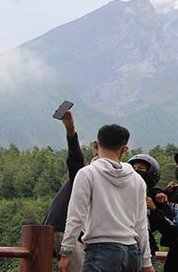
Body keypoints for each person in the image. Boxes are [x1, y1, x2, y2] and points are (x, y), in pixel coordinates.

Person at [58, 124, 155, 272]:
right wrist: (146, 262)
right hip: (132, 253)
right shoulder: (137, 180)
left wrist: (66, 252)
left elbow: (76, 216)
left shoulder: (88, 174)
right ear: (124, 149)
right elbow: (141, 224)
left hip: (100, 251)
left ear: (95, 145)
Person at [43, 110, 85, 271]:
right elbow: (76, 158)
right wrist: (71, 131)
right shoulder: (82, 176)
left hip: (64, 232)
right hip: (65, 232)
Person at [127, 154, 164, 271]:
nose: (136, 171)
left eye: (141, 168)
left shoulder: (155, 197)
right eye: (134, 168)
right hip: (124, 248)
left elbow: (164, 225)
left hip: (147, 251)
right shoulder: (122, 193)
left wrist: (154, 209)